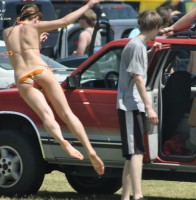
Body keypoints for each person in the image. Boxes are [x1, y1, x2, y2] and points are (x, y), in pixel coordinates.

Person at [3, 1, 104, 176]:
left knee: (46, 115)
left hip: (22, 77)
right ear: (35, 18)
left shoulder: (7, 32)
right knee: (66, 113)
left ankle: (63, 142)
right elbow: (65, 21)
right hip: (41, 70)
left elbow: (21, 52)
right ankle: (90, 150)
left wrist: (37, 41)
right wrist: (88, 6)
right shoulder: (34, 27)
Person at [117, 11, 161, 200]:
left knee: (131, 155)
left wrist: (151, 52)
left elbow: (136, 66)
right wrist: (149, 107)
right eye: (158, 28)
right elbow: (138, 78)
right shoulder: (136, 46)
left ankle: (126, 197)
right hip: (130, 105)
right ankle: (138, 196)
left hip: (132, 105)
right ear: (154, 27)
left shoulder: (139, 45)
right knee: (136, 153)